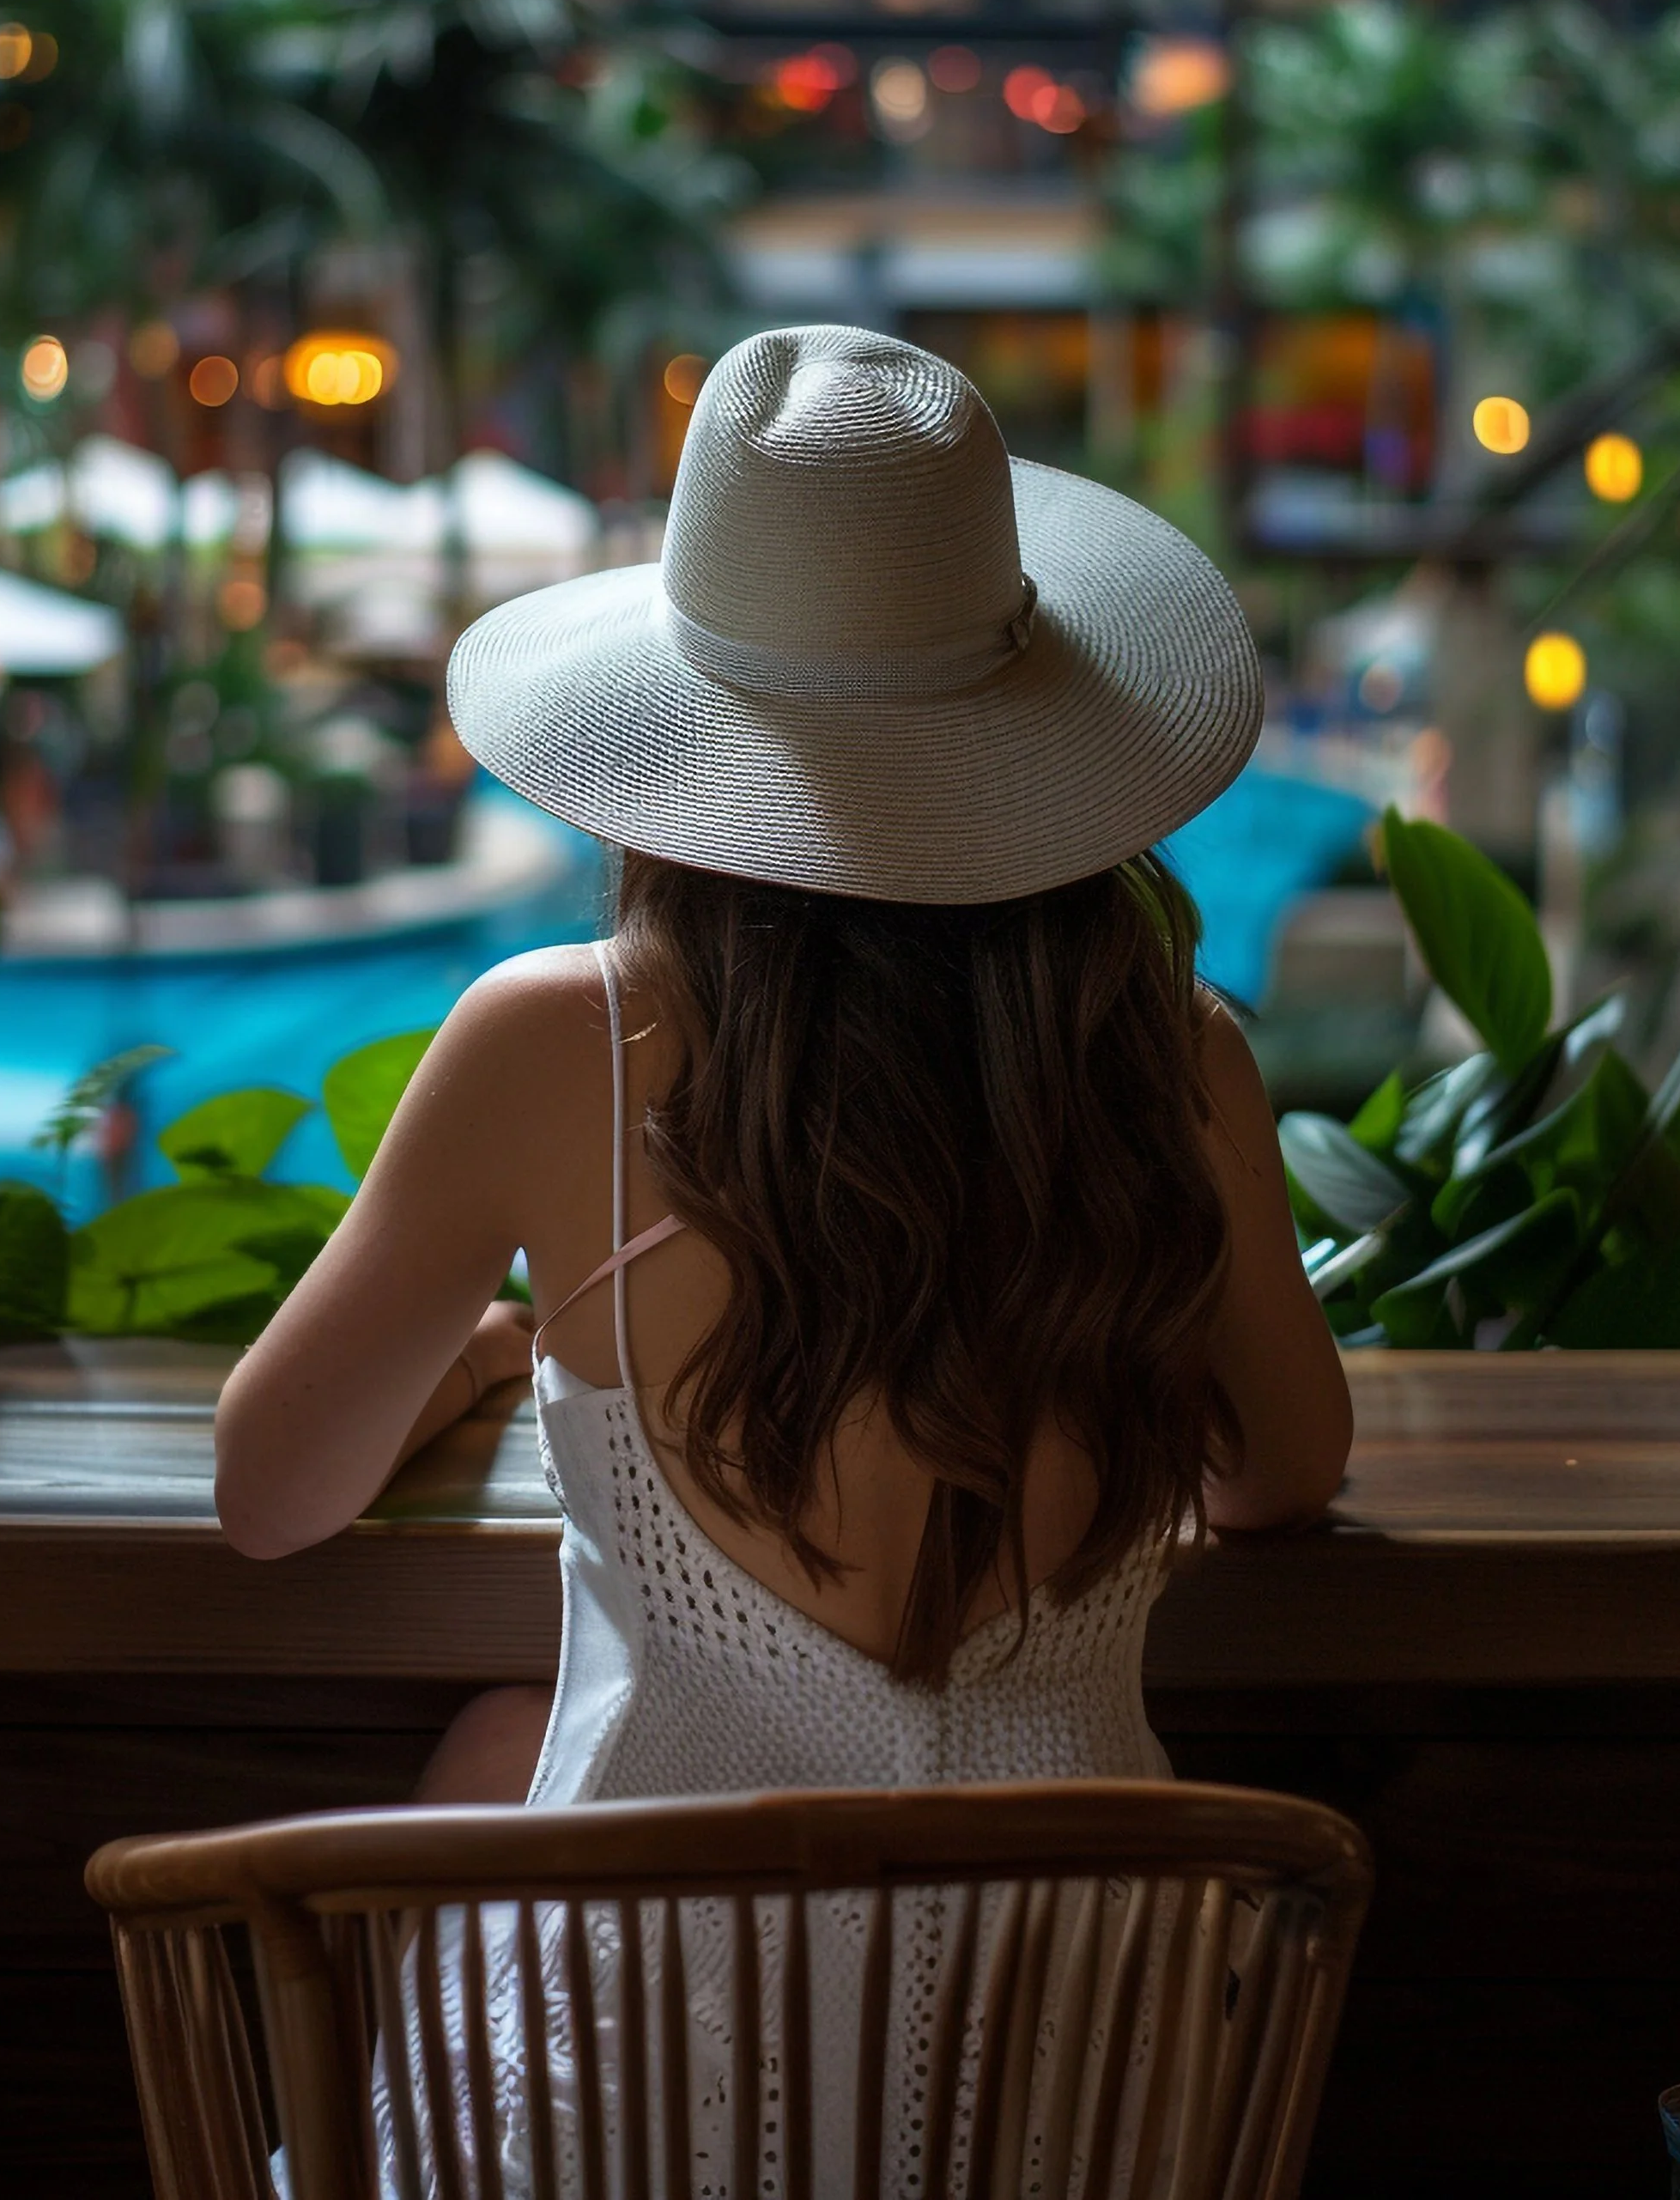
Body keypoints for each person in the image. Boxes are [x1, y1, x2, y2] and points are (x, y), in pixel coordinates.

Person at [214, 324, 1351, 2191]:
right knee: (509, 1733)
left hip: (635, 2121)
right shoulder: (1173, 1060)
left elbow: (269, 1495)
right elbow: (1286, 1472)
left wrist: (497, 1353)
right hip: (1076, 2100)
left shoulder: (549, 1050)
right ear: (1028, 729)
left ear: (677, 737)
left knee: (476, 1791)